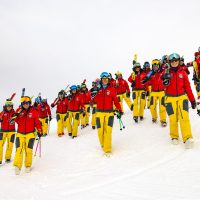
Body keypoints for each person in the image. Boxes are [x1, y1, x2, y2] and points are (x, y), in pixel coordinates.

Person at [162, 53, 196, 148]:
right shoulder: (165, 72)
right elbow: (161, 86)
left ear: (179, 61)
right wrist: (164, 80)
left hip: (182, 97)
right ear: (169, 62)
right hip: (170, 98)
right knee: (173, 119)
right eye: (172, 61)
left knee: (184, 117)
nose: (174, 62)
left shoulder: (183, 73)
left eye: (176, 60)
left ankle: (187, 138)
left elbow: (188, 88)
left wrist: (192, 100)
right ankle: (174, 137)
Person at [13, 96, 43, 175]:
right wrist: (15, 116)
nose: (25, 105)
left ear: (29, 103)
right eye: (23, 103)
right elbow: (15, 120)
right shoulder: (19, 111)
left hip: (30, 134)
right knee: (19, 150)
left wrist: (40, 130)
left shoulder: (34, 111)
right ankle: (17, 166)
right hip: (20, 134)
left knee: (28, 150)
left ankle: (27, 165)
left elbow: (37, 122)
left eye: (26, 103)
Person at [95, 72, 122, 156]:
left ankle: (107, 150)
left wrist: (119, 110)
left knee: (108, 131)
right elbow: (92, 101)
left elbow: (116, 101)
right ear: (101, 80)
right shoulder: (97, 89)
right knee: (100, 131)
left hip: (109, 113)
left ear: (108, 79)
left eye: (106, 79)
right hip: (99, 113)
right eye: (103, 79)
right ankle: (103, 144)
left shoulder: (112, 89)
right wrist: (93, 94)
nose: (105, 80)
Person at [143, 59, 167, 127]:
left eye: (156, 65)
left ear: (159, 65)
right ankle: (154, 117)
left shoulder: (162, 71)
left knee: (162, 107)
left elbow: (167, 75)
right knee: (152, 106)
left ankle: (163, 120)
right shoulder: (151, 73)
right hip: (154, 92)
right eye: (154, 66)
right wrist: (145, 80)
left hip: (162, 91)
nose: (155, 67)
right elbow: (147, 78)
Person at [0, 100, 16, 164]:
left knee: (10, 145)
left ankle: (8, 157)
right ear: (5, 106)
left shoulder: (14, 113)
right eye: (8, 106)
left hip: (11, 131)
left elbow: (18, 116)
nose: (9, 107)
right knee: (0, 145)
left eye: (10, 106)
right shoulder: (2, 112)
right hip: (2, 131)